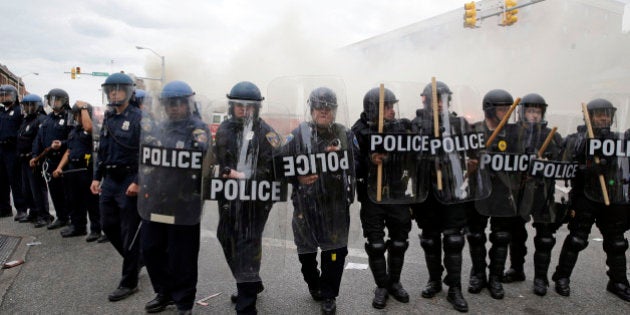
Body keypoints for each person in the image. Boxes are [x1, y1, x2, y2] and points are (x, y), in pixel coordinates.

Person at [281, 86, 355, 315]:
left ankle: (329, 295)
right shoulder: (297, 135)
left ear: (334, 110)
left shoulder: (344, 135)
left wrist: (340, 157)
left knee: (335, 253)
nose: (324, 111)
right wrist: (298, 177)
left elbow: (358, 165)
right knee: (306, 253)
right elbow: (280, 166)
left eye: (328, 108)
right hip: (305, 205)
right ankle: (314, 284)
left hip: (334, 206)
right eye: (319, 107)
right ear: (312, 109)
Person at [139, 81, 210, 315]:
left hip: (184, 203)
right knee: (150, 248)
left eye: (179, 103)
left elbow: (200, 154)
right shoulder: (159, 128)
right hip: (157, 200)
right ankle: (164, 292)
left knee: (183, 255)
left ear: (188, 103)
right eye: (170, 103)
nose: (174, 107)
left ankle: (184, 301)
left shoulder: (197, 129)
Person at [411, 81, 480, 313]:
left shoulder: (460, 125)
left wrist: (472, 164)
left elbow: (475, 152)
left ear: (448, 100)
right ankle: (434, 280)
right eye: (434, 98)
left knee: (453, 240)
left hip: (453, 190)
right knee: (430, 239)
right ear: (426, 100)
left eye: (442, 98)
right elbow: (406, 156)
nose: (439, 102)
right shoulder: (416, 126)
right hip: (427, 192)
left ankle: (455, 288)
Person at [552, 98, 630, 302]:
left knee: (617, 242)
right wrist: (585, 169)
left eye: (607, 114)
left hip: (612, 197)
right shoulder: (577, 139)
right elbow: (563, 166)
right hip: (585, 195)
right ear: (590, 117)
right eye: (599, 114)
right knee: (577, 239)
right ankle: (562, 277)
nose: (604, 118)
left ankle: (618, 282)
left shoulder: (619, 140)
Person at [215, 81, 279, 315]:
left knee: (247, 244)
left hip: (256, 199)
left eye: (249, 106)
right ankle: (251, 283)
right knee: (225, 237)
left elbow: (273, 169)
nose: (244, 110)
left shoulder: (267, 133)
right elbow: (219, 162)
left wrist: (242, 175)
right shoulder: (224, 129)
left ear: (257, 107)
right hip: (229, 198)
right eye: (239, 105)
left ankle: (246, 303)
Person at [351, 87, 411, 309]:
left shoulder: (402, 128)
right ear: (374, 109)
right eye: (387, 107)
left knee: (399, 243)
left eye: (392, 106)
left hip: (397, 195)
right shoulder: (357, 132)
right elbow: (352, 164)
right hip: (372, 197)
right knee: (375, 245)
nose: (392, 111)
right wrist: (369, 160)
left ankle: (394, 282)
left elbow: (415, 156)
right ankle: (382, 286)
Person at [502, 93, 564, 296]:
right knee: (515, 231)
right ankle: (516, 268)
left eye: (537, 111)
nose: (533, 115)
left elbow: (562, 162)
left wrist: (549, 161)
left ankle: (540, 278)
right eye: (530, 111)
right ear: (522, 112)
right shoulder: (512, 133)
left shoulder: (552, 135)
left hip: (542, 190)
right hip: (519, 188)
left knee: (545, 236)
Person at [90, 72, 143, 302]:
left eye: (118, 89)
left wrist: (138, 181)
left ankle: (129, 281)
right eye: (110, 89)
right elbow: (102, 151)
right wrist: (96, 177)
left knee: (129, 231)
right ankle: (136, 260)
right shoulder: (109, 118)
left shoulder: (140, 118)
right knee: (107, 224)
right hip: (109, 179)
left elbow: (147, 155)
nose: (113, 93)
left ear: (128, 92)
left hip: (129, 178)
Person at [467, 89, 522, 301]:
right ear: (490, 110)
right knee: (476, 235)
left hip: (503, 191)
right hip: (479, 190)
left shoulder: (515, 134)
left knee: (501, 237)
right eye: (501, 109)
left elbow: (523, 160)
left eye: (509, 109)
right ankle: (478, 274)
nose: (506, 113)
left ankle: (495, 278)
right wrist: (469, 164)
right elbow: (462, 158)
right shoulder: (474, 131)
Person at [52, 101, 103, 241]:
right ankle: (78, 226)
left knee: (91, 201)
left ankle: (95, 229)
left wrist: (84, 108)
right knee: (73, 200)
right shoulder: (74, 131)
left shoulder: (92, 128)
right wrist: (59, 167)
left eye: (77, 115)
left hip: (86, 168)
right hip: (73, 169)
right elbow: (69, 151)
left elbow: (88, 126)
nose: (75, 117)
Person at [30, 88, 72, 229]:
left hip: (65, 160)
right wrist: (35, 155)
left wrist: (62, 144)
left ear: (64, 101)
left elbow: (74, 139)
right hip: (50, 160)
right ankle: (61, 218)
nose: (54, 103)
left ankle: (71, 218)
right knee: (54, 191)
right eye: (51, 100)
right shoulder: (47, 118)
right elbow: (38, 139)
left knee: (67, 191)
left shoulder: (69, 117)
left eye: (57, 100)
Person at [16, 94, 51, 227]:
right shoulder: (26, 120)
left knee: (37, 189)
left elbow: (40, 141)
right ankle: (33, 212)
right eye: (26, 105)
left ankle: (44, 215)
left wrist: (36, 157)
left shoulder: (41, 119)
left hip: (35, 159)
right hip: (24, 159)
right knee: (26, 189)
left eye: (32, 105)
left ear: (38, 106)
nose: (29, 108)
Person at [0, 84, 27, 219]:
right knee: (2, 181)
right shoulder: (1, 111)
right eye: (2, 95)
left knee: (15, 180)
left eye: (7, 94)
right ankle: (4, 208)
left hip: (12, 149)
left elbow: (23, 129)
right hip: (1, 150)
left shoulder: (19, 110)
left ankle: (21, 209)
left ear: (14, 96)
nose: (5, 97)